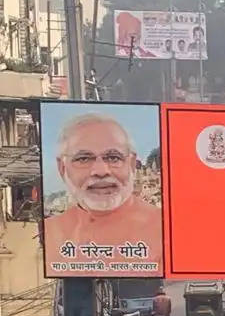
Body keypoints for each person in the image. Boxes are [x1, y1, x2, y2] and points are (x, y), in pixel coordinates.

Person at [44, 113, 163, 271]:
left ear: (132, 164)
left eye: (113, 158)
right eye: (84, 159)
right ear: (62, 168)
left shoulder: (165, 229)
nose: (101, 171)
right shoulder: (49, 233)